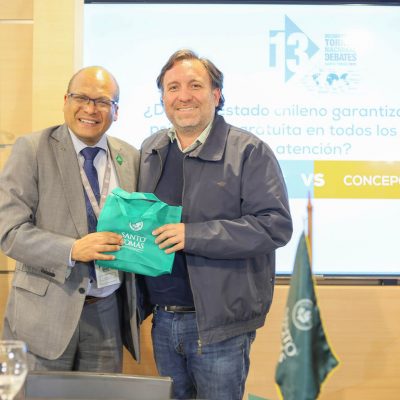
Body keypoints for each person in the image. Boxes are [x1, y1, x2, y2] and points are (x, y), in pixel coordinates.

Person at [137, 49, 293, 399]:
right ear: (163, 98)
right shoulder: (151, 149)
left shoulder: (249, 151)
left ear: (216, 94)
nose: (184, 96)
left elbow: (275, 225)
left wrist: (192, 235)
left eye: (195, 85)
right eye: (173, 87)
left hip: (219, 328)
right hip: (162, 320)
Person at [0, 66, 140, 372]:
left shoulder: (130, 156)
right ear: (65, 100)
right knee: (39, 394)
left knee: (100, 394)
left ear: (116, 111)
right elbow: (9, 231)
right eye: (81, 98)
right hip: (43, 315)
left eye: (102, 101)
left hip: (106, 315)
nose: (90, 109)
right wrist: (72, 249)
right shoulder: (32, 149)